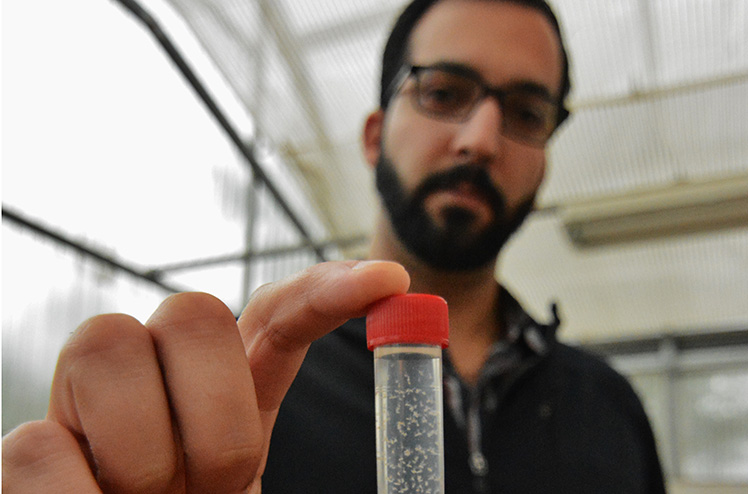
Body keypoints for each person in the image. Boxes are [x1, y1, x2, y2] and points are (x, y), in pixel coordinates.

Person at [2, 0, 665, 493]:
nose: (482, 139)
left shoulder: (608, 407)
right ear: (374, 135)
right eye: (443, 92)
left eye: (526, 112)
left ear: (546, 158)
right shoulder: (243, 388)